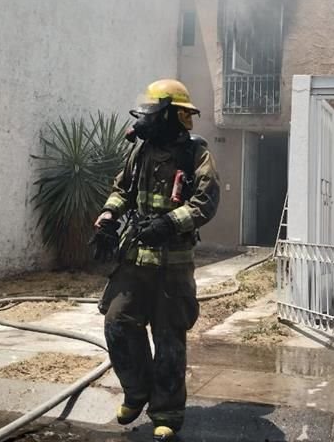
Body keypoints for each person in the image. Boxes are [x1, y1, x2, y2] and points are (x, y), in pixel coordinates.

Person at [91, 79, 220, 442]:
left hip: (172, 267)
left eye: (152, 112)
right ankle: (137, 393)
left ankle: (166, 412)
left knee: (168, 341)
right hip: (134, 260)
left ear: (172, 115)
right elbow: (122, 190)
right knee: (117, 324)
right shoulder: (140, 152)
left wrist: (167, 223)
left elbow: (205, 203)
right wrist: (107, 217)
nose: (144, 121)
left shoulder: (197, 155)